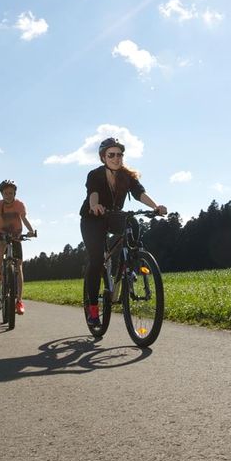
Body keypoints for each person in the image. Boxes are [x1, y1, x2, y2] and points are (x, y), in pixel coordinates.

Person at [80, 137, 166, 323]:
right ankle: (93, 308)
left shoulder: (127, 176)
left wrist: (155, 206)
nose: (116, 158)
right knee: (97, 260)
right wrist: (95, 206)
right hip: (92, 219)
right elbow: (93, 194)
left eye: (119, 154)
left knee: (132, 223)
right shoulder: (95, 175)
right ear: (103, 157)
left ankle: (130, 263)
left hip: (113, 216)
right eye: (111, 155)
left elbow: (139, 193)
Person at [0, 179, 36, 314]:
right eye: (6, 193)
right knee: (0, 247)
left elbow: (24, 218)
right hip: (0, 233)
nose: (8, 195)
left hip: (16, 234)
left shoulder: (19, 205)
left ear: (15, 193)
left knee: (18, 266)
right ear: (2, 194)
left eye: (11, 193)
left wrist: (31, 231)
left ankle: (19, 301)